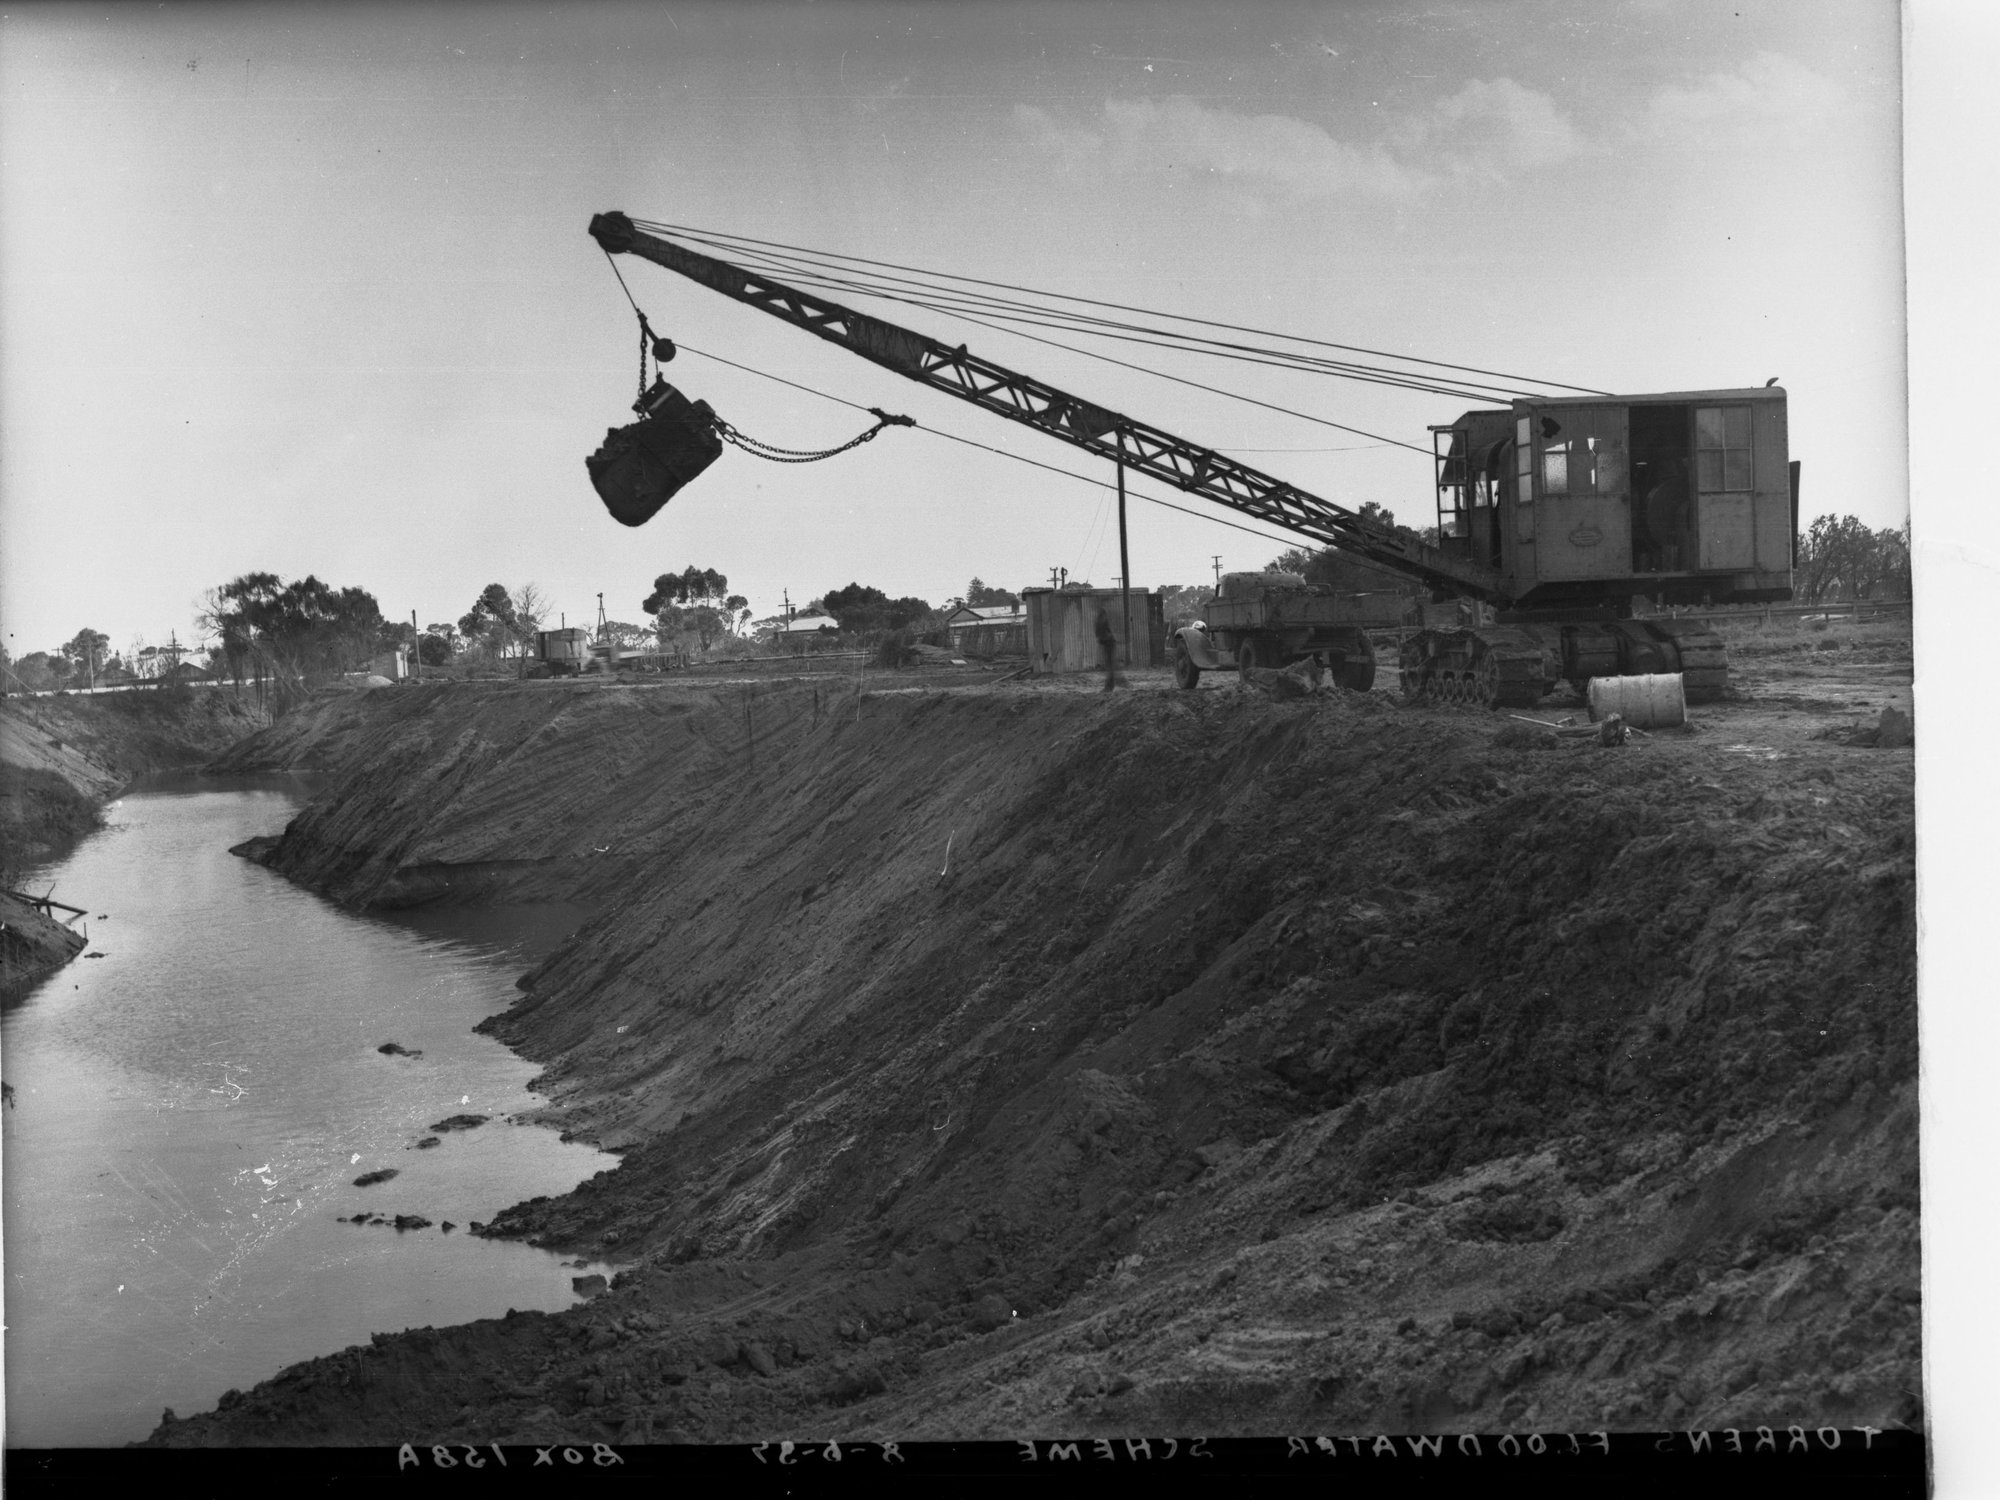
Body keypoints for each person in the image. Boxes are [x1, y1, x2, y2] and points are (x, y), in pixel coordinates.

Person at [1095, 605, 1122, 691]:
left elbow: (1101, 634)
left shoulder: (1101, 622)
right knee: (1110, 665)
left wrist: (1103, 639)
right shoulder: (1102, 622)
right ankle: (1111, 685)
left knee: (1110, 665)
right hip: (1108, 643)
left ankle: (1110, 686)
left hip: (1109, 643)